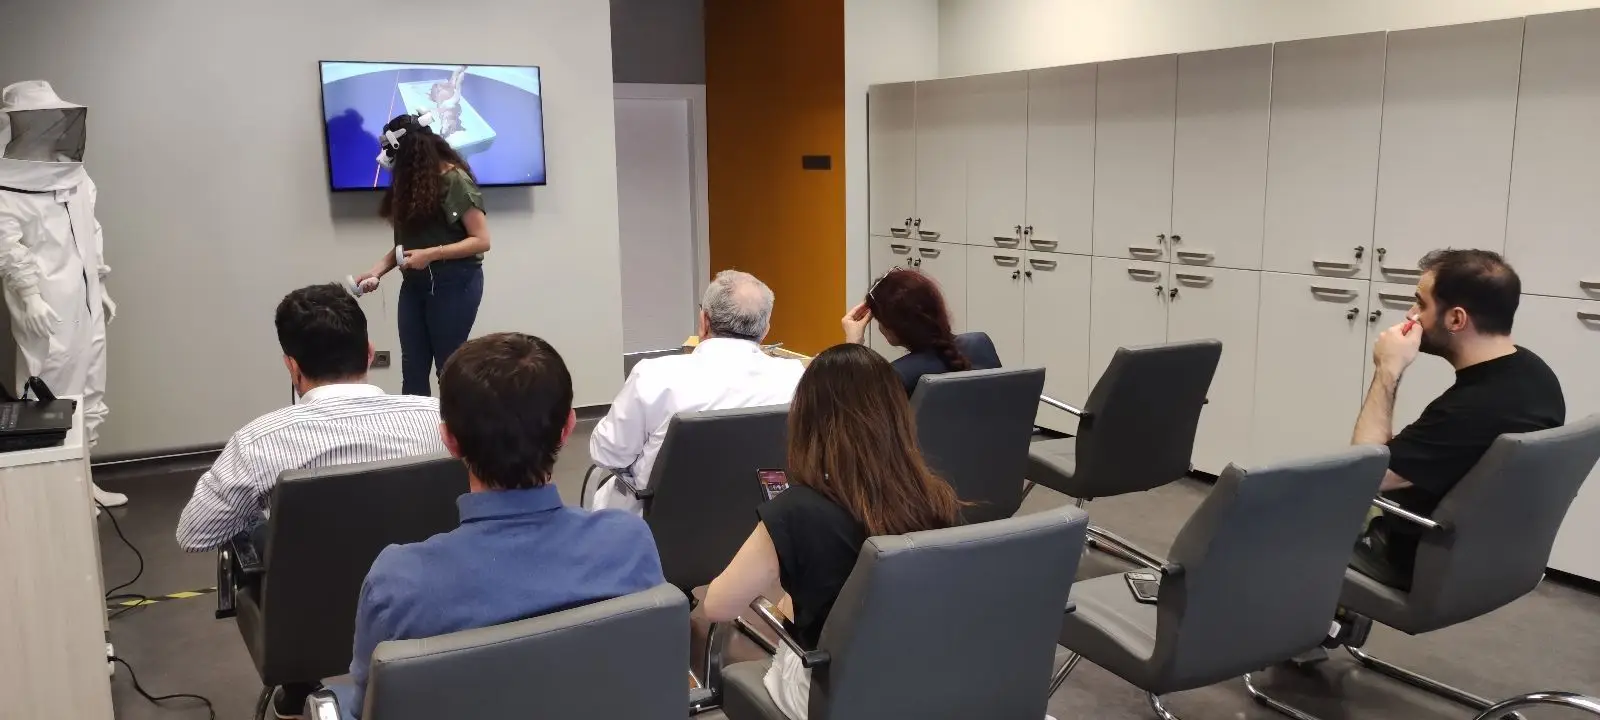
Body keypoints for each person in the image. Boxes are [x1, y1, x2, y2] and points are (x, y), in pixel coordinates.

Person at [332, 333, 664, 720]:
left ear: (450, 441)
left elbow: (367, 709)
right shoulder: (629, 544)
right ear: (568, 427)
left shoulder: (397, 584)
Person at [702, 343, 964, 720]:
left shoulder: (796, 511)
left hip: (837, 694)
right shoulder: (935, 497)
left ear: (807, 422)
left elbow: (718, 605)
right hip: (924, 682)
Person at [1351, 249, 1564, 590]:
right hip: (1487, 555)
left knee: (1288, 513)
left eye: (1420, 303)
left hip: (1412, 555)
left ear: (1456, 319)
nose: (1411, 314)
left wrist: (1387, 370)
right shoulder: (1537, 375)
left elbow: (1364, 472)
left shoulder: (1470, 410)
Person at [175, 284, 444, 553]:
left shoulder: (256, 443)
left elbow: (194, 535)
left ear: (292, 367)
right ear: (370, 353)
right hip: (421, 575)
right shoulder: (441, 417)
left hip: (314, 580)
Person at [0, 80, 125, 509]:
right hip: (47, 307)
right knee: (49, 391)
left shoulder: (72, 174)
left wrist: (100, 284)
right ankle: (53, 501)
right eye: (43, 115)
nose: (54, 122)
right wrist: (30, 296)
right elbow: (8, 248)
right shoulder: (6, 186)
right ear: (20, 122)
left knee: (90, 386)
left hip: (86, 302)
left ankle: (83, 485)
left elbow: (91, 231)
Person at [588, 270, 804, 514]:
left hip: (656, 525)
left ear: (704, 322)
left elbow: (606, 455)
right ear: (765, 330)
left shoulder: (653, 375)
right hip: (758, 522)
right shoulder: (796, 379)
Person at [352, 112, 490, 397]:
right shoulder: (415, 184)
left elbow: (481, 240)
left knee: (448, 369)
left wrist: (431, 254)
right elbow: (407, 245)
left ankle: (455, 424)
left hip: (455, 284)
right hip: (415, 285)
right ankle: (415, 426)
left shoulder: (455, 180)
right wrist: (376, 272)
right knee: (413, 368)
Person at [843, 267, 1001, 395]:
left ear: (893, 329)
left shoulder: (896, 377)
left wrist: (852, 345)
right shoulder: (981, 344)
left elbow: (850, 412)